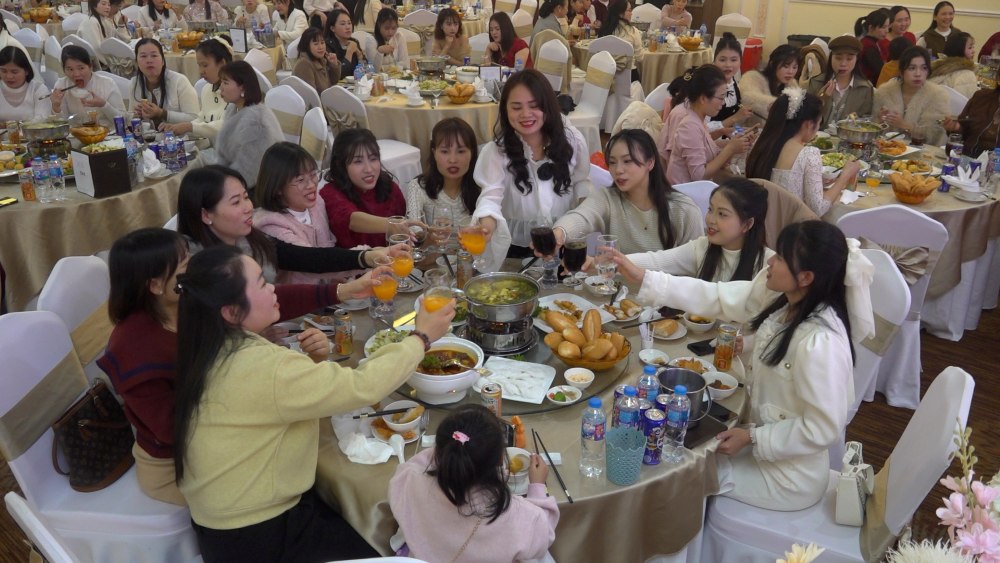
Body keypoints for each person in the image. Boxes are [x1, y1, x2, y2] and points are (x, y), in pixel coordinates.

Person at [173, 245, 455, 562]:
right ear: (231, 312)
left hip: (225, 527)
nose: (274, 289)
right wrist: (421, 337)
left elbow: (271, 397)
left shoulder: (205, 346)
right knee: (395, 544)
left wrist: (314, 359)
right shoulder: (262, 366)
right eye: (263, 284)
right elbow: (362, 386)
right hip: (261, 536)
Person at [97, 227, 372, 505]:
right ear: (155, 285)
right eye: (184, 265)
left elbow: (261, 300)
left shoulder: (187, 301)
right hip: (179, 467)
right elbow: (175, 429)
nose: (194, 268)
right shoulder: (131, 348)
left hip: (225, 437)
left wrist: (343, 290)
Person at [616, 220, 874, 511]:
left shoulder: (821, 343)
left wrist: (752, 436)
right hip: (759, 447)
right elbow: (718, 296)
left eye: (780, 258)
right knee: (675, 454)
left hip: (786, 476)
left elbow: (822, 428)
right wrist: (645, 278)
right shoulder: (787, 301)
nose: (771, 263)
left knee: (674, 477)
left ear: (805, 277)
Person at [388, 405, 559, 562]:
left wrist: (448, 448)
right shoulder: (515, 516)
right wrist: (537, 486)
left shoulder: (409, 480)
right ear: (500, 459)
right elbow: (544, 533)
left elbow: (412, 466)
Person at [178, 164, 396, 283]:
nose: (247, 207)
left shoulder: (250, 238)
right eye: (236, 202)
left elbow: (305, 257)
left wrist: (367, 256)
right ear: (206, 215)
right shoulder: (197, 268)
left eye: (246, 197)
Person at [472, 69, 594, 262]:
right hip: (516, 248)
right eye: (516, 107)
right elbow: (490, 197)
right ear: (505, 109)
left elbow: (581, 184)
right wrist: (485, 226)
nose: (526, 114)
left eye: (534, 106)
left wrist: (580, 221)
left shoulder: (573, 142)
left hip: (562, 240)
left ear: (548, 106)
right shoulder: (496, 152)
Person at [554, 129, 703, 255]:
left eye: (627, 161)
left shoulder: (684, 210)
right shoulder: (608, 198)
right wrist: (559, 233)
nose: (618, 170)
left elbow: (695, 264)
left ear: (650, 162)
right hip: (617, 287)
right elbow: (582, 216)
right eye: (612, 162)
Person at [620, 178, 773, 282]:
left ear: (747, 224)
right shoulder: (702, 247)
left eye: (722, 214)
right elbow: (657, 260)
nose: (710, 219)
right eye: (710, 209)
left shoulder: (769, 263)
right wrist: (611, 260)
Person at [746, 89, 860, 217]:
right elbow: (818, 208)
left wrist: (816, 181)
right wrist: (844, 177)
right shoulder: (808, 154)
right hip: (788, 230)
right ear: (808, 124)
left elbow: (780, 182)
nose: (817, 129)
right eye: (819, 123)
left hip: (758, 225)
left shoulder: (762, 143)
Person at [254, 142, 342, 285]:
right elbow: (312, 261)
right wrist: (365, 257)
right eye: (300, 180)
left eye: (313, 174)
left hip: (326, 290)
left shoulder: (316, 203)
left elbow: (328, 248)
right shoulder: (271, 225)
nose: (312, 185)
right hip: (300, 299)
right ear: (278, 188)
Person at [320, 128, 410, 248]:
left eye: (373, 159)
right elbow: (352, 220)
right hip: (352, 265)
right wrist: (392, 224)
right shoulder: (330, 193)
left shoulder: (390, 188)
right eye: (358, 161)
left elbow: (401, 237)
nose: (368, 169)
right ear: (340, 165)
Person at [663, 65, 750, 185]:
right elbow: (699, 175)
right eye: (720, 98)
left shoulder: (697, 118)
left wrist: (735, 142)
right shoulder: (688, 125)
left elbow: (704, 145)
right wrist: (730, 148)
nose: (723, 103)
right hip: (685, 195)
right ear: (703, 98)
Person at [213, 61, 283, 189]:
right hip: (235, 180)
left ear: (243, 87)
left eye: (226, 83)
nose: (220, 88)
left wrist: (219, 186)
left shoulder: (256, 122)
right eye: (221, 82)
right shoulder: (234, 110)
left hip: (258, 190)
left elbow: (249, 173)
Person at [406, 117, 480, 227]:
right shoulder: (418, 188)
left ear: (472, 153)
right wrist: (430, 238)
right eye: (445, 151)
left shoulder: (482, 187)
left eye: (461, 151)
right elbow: (414, 237)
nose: (453, 160)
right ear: (434, 153)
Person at [160, 37, 232, 144]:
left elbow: (227, 126)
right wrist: (178, 127)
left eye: (205, 65)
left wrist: (189, 126)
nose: (201, 71)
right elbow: (202, 119)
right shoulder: (207, 89)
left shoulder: (235, 91)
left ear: (222, 63)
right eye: (199, 65)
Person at [873, 46, 949, 146]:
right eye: (912, 68)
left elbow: (934, 136)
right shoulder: (884, 92)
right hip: (886, 149)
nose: (918, 74)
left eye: (924, 68)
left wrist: (903, 124)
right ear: (901, 72)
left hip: (922, 154)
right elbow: (872, 129)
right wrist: (880, 121)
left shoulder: (937, 95)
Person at [50, 46, 127, 129]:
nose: (76, 74)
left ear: (90, 67)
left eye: (81, 68)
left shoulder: (107, 83)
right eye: (70, 69)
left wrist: (104, 105)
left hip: (109, 136)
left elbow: (124, 121)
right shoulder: (61, 86)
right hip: (77, 136)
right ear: (64, 70)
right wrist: (56, 107)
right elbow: (61, 127)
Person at [806, 35, 874, 129]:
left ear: (856, 59)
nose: (843, 64)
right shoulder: (816, 82)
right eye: (838, 58)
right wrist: (822, 99)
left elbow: (865, 121)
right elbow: (806, 118)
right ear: (831, 59)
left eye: (849, 59)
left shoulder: (865, 88)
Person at [130, 39, 200, 127]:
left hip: (182, 138)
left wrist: (162, 113)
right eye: (143, 56)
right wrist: (137, 116)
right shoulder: (134, 83)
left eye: (154, 55)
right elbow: (131, 119)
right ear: (136, 62)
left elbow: (195, 119)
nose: (149, 60)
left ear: (163, 61)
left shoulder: (179, 81)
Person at [707, 32, 754, 135]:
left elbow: (732, 124)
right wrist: (735, 117)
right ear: (714, 61)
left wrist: (742, 131)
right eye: (722, 60)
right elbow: (701, 129)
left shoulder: (733, 84)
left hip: (728, 137)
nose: (728, 65)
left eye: (734, 60)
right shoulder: (707, 88)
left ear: (740, 62)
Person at [739, 44, 799, 120]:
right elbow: (747, 98)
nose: (790, 72)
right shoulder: (752, 77)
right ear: (772, 64)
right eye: (786, 66)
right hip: (750, 129)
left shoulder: (792, 84)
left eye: (794, 67)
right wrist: (779, 105)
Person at [943, 84, 1000, 159]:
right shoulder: (981, 97)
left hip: (995, 168)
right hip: (964, 160)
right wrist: (956, 127)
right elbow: (964, 130)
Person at [0, 46, 50, 122]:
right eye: (4, 71)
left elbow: (42, 120)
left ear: (26, 71)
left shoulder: (38, 90)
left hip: (31, 133)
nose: (9, 76)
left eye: (14, 72)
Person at [598, 0, 644, 81]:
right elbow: (640, 57)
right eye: (629, 10)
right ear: (620, 13)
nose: (631, 13)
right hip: (629, 78)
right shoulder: (632, 31)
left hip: (604, 77)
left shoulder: (603, 31)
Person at [80, 0, 132, 68]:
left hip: (108, 60)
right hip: (98, 65)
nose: (107, 7)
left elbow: (117, 41)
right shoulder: (90, 22)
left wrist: (121, 25)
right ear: (94, 5)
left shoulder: (105, 21)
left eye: (108, 4)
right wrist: (112, 63)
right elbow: (95, 49)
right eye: (103, 4)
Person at [293, 26, 342, 93]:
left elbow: (333, 81)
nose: (321, 47)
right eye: (316, 44)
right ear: (306, 46)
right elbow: (311, 96)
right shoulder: (304, 64)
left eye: (322, 43)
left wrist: (333, 64)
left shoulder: (321, 59)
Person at [929, 31, 977, 98]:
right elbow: (968, 104)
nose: (973, 51)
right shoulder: (966, 74)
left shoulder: (939, 68)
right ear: (959, 49)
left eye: (973, 47)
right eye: (970, 48)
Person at [326, 9, 364, 78]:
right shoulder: (327, 45)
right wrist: (349, 52)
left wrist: (359, 55)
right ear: (332, 28)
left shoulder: (354, 42)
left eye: (349, 23)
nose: (348, 27)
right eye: (343, 24)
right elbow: (339, 75)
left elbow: (366, 70)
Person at [854, 8, 889, 84]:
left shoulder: (873, 43)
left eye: (887, 27)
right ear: (871, 28)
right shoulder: (868, 46)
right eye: (883, 27)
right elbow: (880, 71)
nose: (887, 31)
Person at [371, 8, 409, 72]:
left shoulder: (399, 37)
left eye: (394, 28)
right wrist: (380, 52)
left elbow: (405, 64)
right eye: (386, 28)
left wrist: (385, 68)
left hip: (398, 78)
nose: (390, 32)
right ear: (379, 25)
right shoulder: (371, 40)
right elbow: (373, 69)